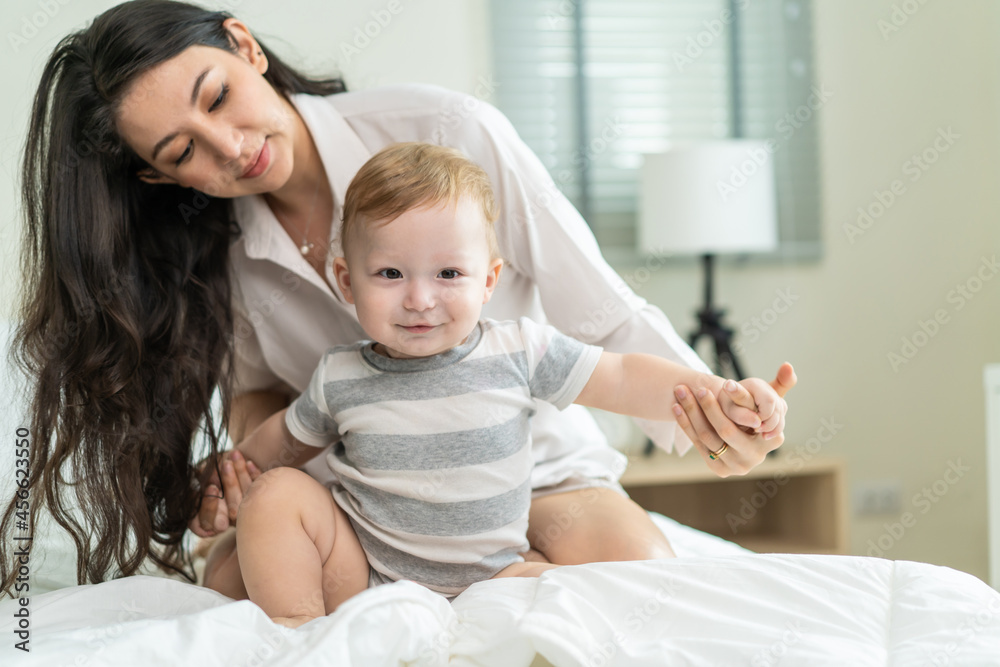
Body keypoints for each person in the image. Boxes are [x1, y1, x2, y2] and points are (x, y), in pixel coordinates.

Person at [1, 0, 794, 597]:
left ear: (243, 45)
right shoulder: (209, 252)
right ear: (156, 175)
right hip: (366, 501)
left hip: (534, 475)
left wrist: (716, 406)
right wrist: (243, 472)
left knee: (641, 582)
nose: (232, 149)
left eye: (218, 98)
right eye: (184, 153)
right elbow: (261, 395)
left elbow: (606, 319)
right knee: (234, 583)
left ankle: (502, 583)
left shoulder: (447, 130)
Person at [231, 142, 787, 627]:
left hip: (499, 574)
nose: (420, 299)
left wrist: (714, 391)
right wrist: (228, 475)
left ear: (489, 280)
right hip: (369, 575)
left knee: (611, 597)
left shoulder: (519, 349)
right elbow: (282, 443)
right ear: (348, 282)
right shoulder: (340, 375)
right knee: (276, 494)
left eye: (448, 274)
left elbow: (619, 376)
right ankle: (296, 631)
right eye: (390, 274)